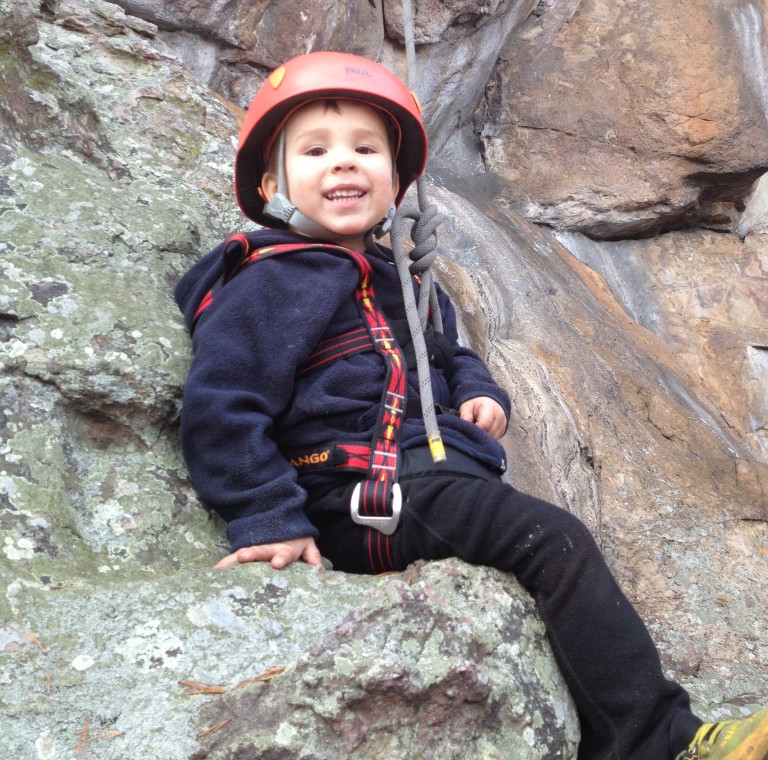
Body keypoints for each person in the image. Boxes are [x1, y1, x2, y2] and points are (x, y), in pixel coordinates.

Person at [175, 51, 767, 760]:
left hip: (420, 480)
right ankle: (663, 744)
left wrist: (482, 393)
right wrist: (266, 515)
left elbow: (447, 355)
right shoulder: (272, 280)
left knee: (544, 540)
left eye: (367, 150)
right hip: (359, 493)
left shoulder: (404, 282)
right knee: (553, 540)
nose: (345, 165)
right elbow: (221, 399)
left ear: (395, 181)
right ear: (271, 182)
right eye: (316, 151)